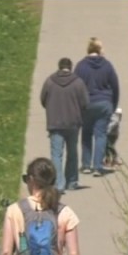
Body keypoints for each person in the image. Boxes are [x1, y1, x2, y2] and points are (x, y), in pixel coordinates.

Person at [40, 57, 90, 192]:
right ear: (71, 67)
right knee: (72, 152)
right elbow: (85, 103)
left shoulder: (50, 81)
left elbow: (43, 100)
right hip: (73, 123)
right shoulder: (78, 83)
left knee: (56, 154)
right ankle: (72, 181)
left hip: (55, 123)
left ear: (59, 66)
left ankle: (58, 184)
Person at [74, 37, 120, 177]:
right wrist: (113, 104)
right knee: (100, 135)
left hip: (87, 104)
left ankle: (86, 165)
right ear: (98, 50)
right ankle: (98, 166)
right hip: (104, 103)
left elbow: (75, 87)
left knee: (86, 133)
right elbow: (115, 86)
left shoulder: (81, 66)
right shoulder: (107, 65)